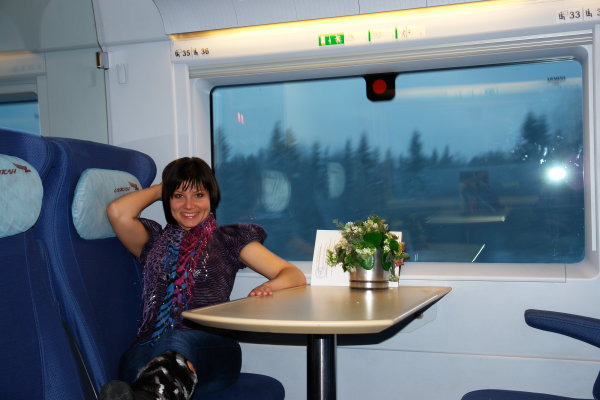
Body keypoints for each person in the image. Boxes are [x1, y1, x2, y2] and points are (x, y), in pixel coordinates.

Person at [99, 157, 306, 400]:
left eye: (198, 195)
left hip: (211, 347)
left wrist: (267, 287)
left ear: (211, 197)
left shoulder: (227, 239)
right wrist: (164, 188)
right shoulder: (153, 241)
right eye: (178, 196)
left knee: (176, 343)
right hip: (150, 346)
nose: (189, 205)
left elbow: (292, 274)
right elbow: (118, 212)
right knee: (138, 363)